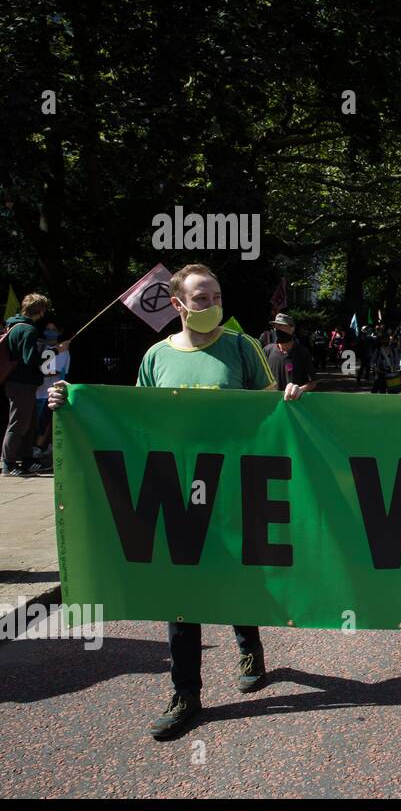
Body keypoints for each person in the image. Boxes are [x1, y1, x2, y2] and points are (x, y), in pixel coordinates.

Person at [48, 263, 308, 739]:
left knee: (233, 573)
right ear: (178, 304)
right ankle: (185, 692)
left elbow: (272, 416)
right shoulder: (155, 358)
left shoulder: (241, 349)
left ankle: (248, 644)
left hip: (233, 485)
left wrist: (291, 396)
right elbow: (133, 420)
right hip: (174, 490)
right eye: (201, 298)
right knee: (179, 589)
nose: (212, 306)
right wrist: (71, 404)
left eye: (216, 297)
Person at [3, 293, 55, 476]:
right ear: (40, 311)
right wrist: (54, 351)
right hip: (22, 383)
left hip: (17, 382)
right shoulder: (28, 330)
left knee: (29, 423)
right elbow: (30, 359)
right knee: (19, 423)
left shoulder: (14, 325)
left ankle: (25, 460)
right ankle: (9, 463)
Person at [31, 319, 70, 463]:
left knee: (47, 422)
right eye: (48, 329)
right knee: (39, 423)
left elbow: (54, 371)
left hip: (52, 392)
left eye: (54, 329)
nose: (50, 332)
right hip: (38, 392)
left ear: (59, 332)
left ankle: (41, 449)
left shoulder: (63, 351)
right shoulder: (41, 347)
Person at [264, 313, 317, 394]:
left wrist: (299, 389)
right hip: (273, 403)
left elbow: (312, 383)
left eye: (281, 326)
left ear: (292, 328)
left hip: (295, 402)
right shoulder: (267, 350)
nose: (277, 329)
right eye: (275, 326)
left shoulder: (303, 352)